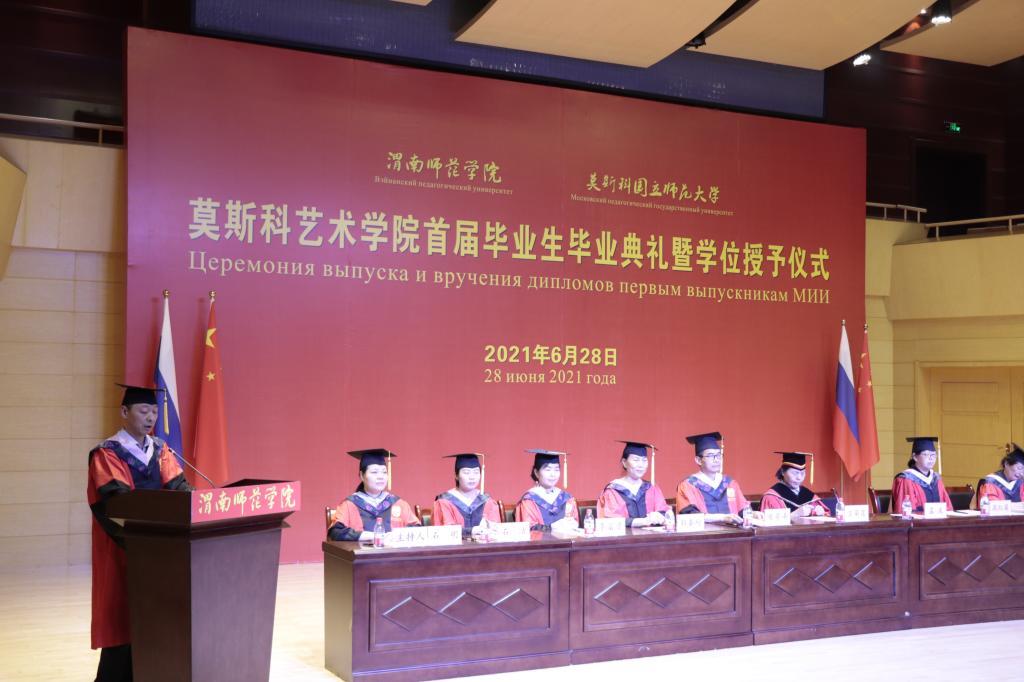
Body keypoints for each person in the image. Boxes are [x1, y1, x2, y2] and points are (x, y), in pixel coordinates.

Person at [88, 384, 192, 682]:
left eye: (155, 412)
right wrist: (145, 541)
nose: (150, 417)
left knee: (154, 618)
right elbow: (115, 502)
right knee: (123, 618)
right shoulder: (107, 453)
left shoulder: (160, 450)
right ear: (125, 412)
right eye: (144, 410)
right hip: (123, 549)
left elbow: (179, 489)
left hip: (160, 552)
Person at [327, 449, 419, 542]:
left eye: (384, 472)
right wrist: (372, 536)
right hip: (360, 551)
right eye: (374, 472)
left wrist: (395, 536)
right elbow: (335, 532)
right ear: (362, 475)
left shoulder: (398, 504)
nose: (381, 477)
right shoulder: (349, 505)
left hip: (394, 551)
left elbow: (418, 529)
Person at [677, 431, 748, 521]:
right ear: (698, 460)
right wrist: (722, 518)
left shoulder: (730, 483)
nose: (716, 460)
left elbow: (742, 510)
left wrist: (753, 514)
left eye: (718, 455)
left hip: (733, 530)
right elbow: (689, 516)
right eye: (710, 456)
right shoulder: (688, 485)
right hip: (705, 530)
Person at [597, 441, 670, 527]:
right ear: (624, 462)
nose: (641, 465)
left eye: (644, 460)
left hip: (652, 535)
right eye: (636, 460)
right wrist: (643, 521)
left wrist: (660, 517)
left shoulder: (651, 488)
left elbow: (664, 512)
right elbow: (610, 521)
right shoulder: (613, 491)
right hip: (625, 535)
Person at [432, 453, 500, 536]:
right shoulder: (444, 502)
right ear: (456, 475)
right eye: (466, 472)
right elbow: (444, 532)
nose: (472, 477)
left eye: (476, 472)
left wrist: (488, 527)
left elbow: (495, 531)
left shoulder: (487, 501)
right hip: (456, 544)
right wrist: (470, 531)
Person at [514, 449, 579, 532]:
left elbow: (575, 522)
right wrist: (552, 527)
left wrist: (573, 524)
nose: (553, 474)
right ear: (536, 473)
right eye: (548, 470)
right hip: (540, 540)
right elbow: (527, 529)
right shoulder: (529, 500)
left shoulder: (567, 498)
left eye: (556, 469)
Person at [892, 436, 953, 513]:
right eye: (926, 454)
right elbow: (906, 512)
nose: (931, 458)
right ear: (915, 457)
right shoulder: (907, 479)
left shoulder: (936, 479)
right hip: (917, 520)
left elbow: (948, 507)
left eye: (933, 455)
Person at [759, 452, 830, 517]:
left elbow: (827, 515)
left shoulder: (810, 496)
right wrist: (794, 514)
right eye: (794, 473)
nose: (799, 478)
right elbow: (767, 521)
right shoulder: (771, 497)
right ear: (783, 472)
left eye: (802, 473)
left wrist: (821, 512)